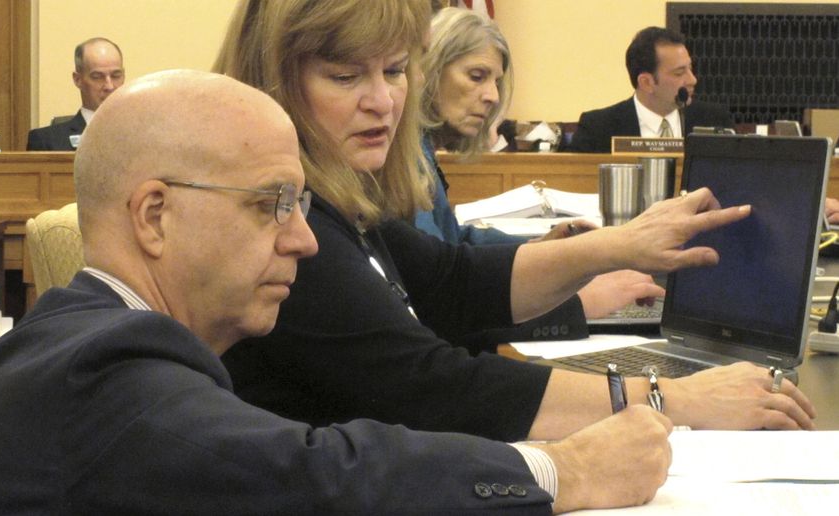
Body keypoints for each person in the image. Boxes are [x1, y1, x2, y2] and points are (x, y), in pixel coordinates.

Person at [0, 68, 676, 515]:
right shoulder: (103, 368)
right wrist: (563, 469)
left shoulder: (85, 340)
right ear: (154, 215)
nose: (302, 239)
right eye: (270, 203)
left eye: (300, 205)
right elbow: (323, 475)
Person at [216, 0, 814, 449]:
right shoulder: (286, 229)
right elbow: (431, 388)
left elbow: (452, 279)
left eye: (395, 71)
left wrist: (617, 245)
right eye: (346, 76)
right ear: (274, 80)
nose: (383, 101)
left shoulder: (334, 200)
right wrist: (674, 398)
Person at [414, 7, 663, 351]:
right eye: (476, 76)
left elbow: (454, 242)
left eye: (496, 82)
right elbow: (439, 298)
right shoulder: (406, 160)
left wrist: (544, 251)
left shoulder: (418, 151)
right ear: (428, 70)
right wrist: (578, 304)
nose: (494, 96)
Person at [567, 27, 733, 153]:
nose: (692, 80)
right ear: (646, 82)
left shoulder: (715, 120)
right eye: (679, 72)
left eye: (690, 68)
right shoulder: (598, 129)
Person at [27, 37, 125, 151]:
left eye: (116, 76)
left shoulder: (143, 134)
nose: (109, 86)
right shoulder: (47, 141)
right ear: (78, 79)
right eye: (97, 77)